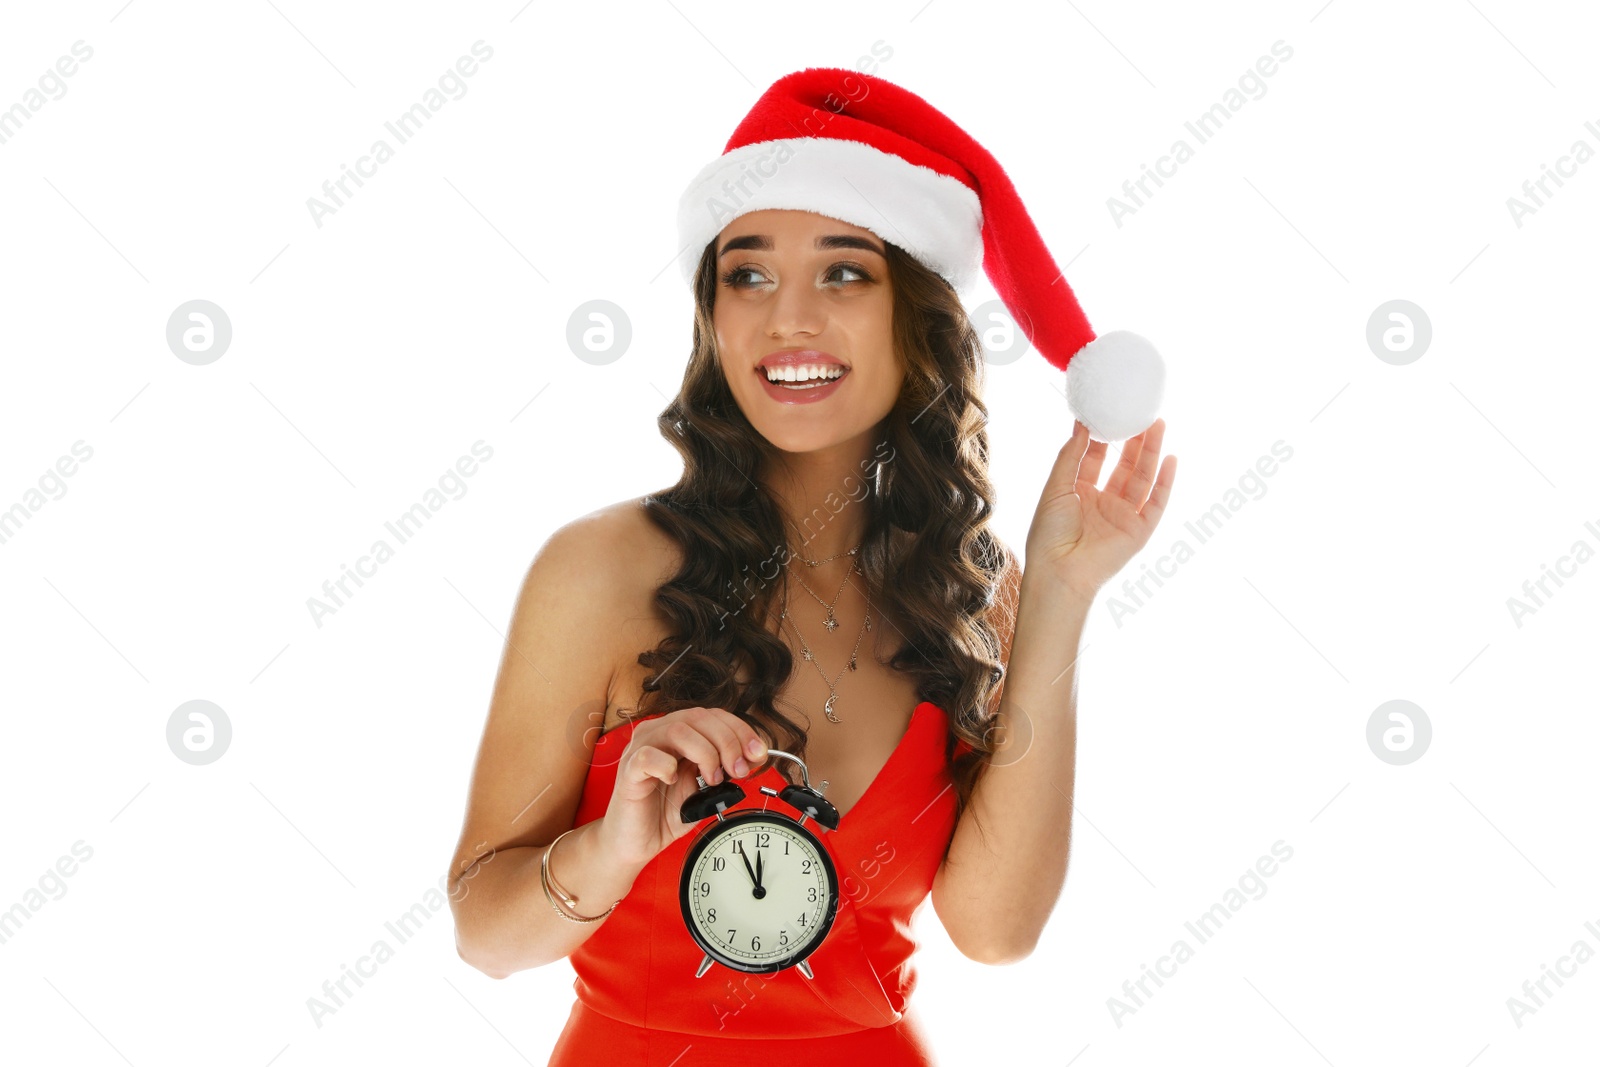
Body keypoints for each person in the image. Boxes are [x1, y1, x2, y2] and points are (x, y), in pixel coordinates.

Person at [446, 67, 1177, 1065]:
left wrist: (1058, 595)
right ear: (711, 314)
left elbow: (994, 931)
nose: (787, 318)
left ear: (915, 319)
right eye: (747, 273)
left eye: (843, 272)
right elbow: (484, 934)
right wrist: (608, 851)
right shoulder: (602, 571)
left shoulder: (974, 592)